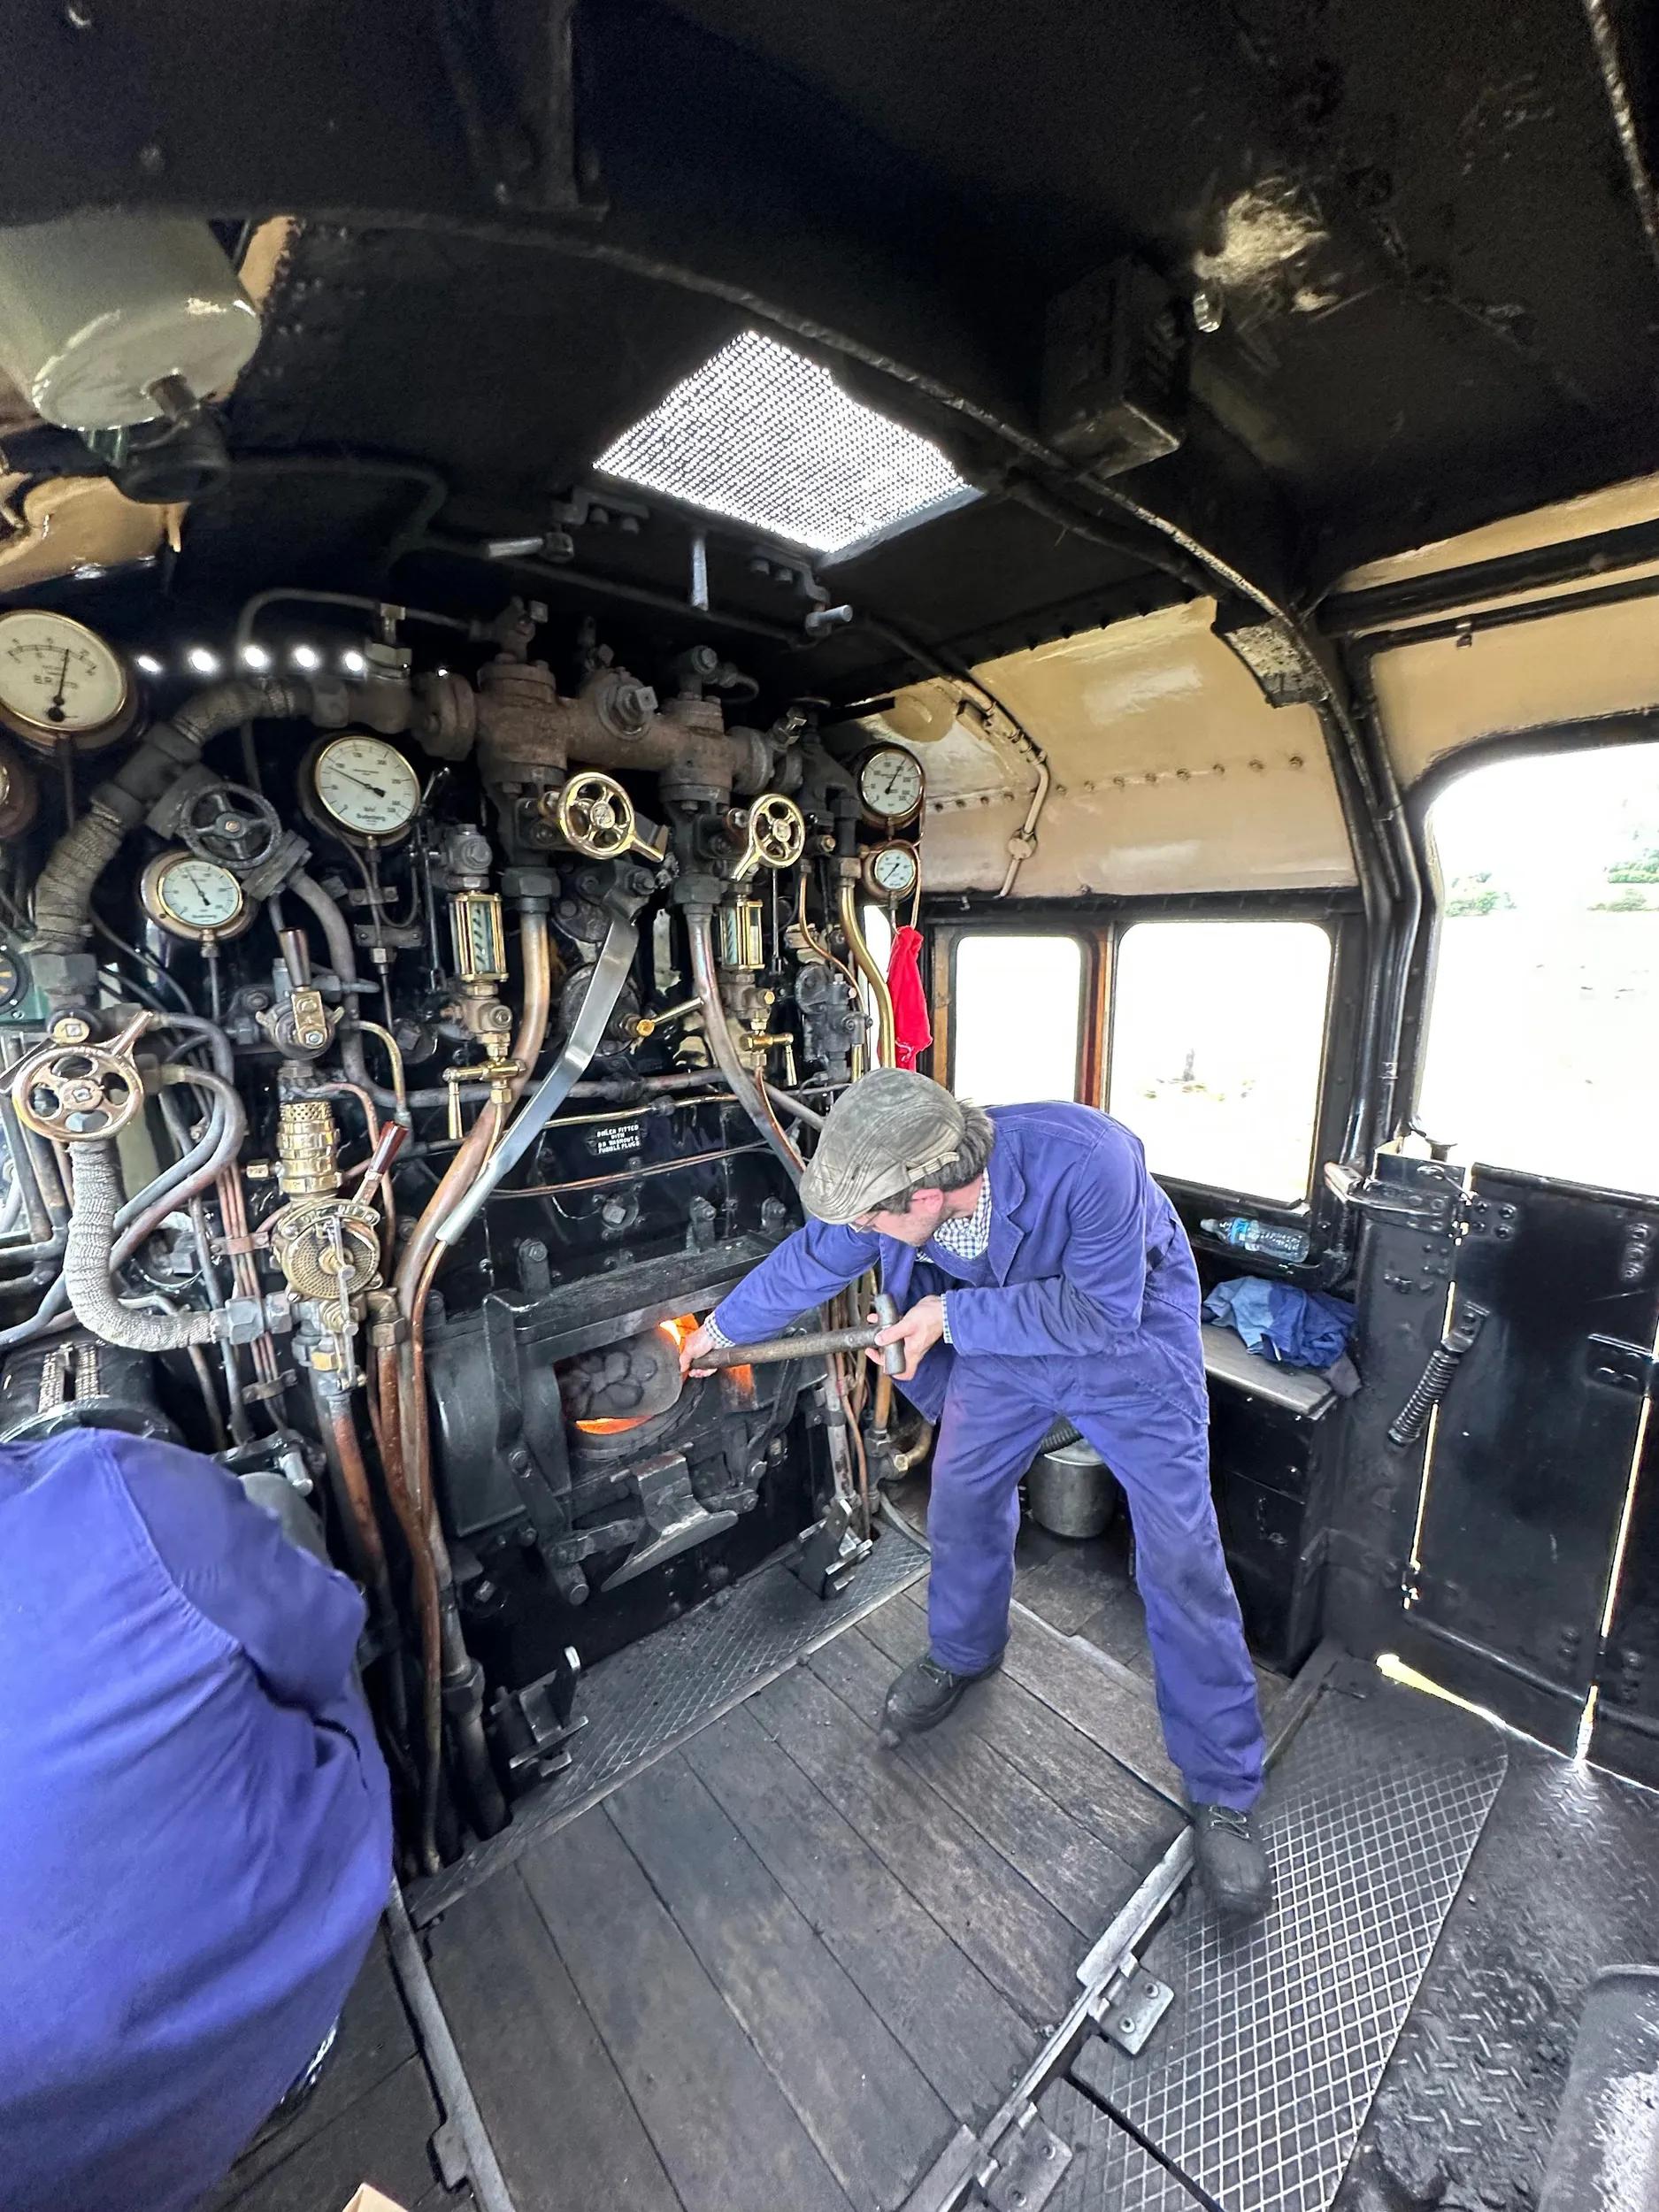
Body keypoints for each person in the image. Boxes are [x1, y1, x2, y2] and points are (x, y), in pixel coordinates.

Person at [680, 1069, 1272, 1919]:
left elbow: (1099, 1315)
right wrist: (719, 1333)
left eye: (875, 1220)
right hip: (1000, 1339)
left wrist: (947, 1321)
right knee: (959, 1496)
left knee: (1180, 1554)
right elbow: (817, 1254)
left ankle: (1223, 1784)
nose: (862, 1234)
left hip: (1126, 1343)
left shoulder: (1091, 1160)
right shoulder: (895, 1187)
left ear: (931, 1193)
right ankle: (962, 1652)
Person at [0, 1425, 394, 2212]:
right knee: (275, 1502)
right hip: (267, 2004)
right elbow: (322, 1634)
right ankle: (295, 2040)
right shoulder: (109, 1486)